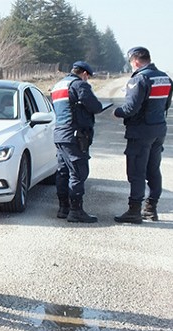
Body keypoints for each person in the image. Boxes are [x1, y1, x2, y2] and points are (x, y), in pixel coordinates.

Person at [113, 47, 172, 224]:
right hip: (158, 129)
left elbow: (131, 109)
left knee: (137, 171)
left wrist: (117, 112)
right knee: (153, 169)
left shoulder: (139, 79)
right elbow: (166, 105)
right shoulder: (165, 78)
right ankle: (151, 209)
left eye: (131, 62)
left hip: (140, 132)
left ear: (136, 61)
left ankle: (134, 211)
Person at [51, 61, 103, 223]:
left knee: (63, 172)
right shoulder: (79, 85)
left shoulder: (58, 85)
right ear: (85, 74)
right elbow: (95, 106)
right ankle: (76, 211)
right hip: (75, 136)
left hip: (60, 134)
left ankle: (63, 208)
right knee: (78, 173)